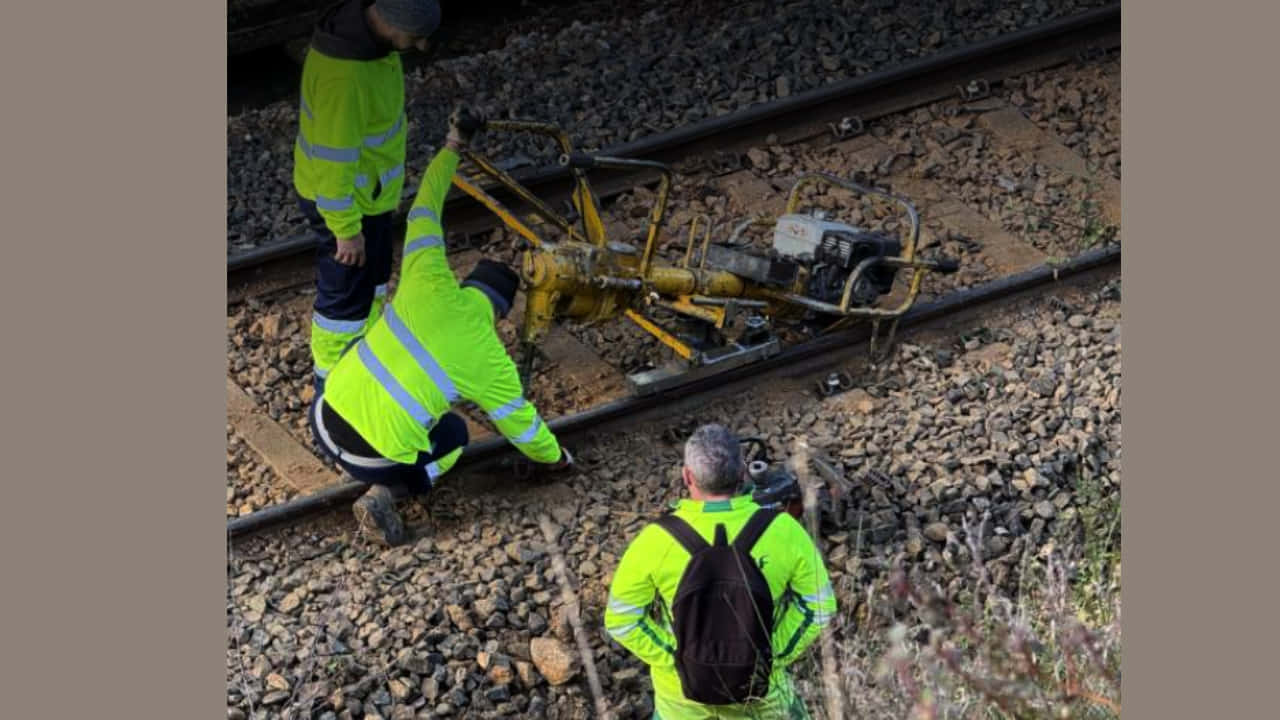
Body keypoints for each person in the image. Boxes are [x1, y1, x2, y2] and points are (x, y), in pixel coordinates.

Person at [308, 107, 573, 546]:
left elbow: (425, 208)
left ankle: (352, 461)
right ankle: (384, 492)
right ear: (500, 314)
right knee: (453, 433)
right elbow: (522, 426)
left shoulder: (427, 277)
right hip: (369, 460)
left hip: (320, 417)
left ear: (469, 284)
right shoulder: (489, 357)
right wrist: (558, 458)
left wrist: (453, 148)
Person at [604, 424, 836, 719]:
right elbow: (819, 606)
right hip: (761, 697)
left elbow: (622, 619)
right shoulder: (784, 531)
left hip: (681, 703)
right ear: (742, 475)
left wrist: (678, 658)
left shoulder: (654, 540)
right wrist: (770, 655)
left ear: (687, 476)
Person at [293, 0, 442, 394]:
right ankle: (332, 392)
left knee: (371, 283)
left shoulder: (370, 44)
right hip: (345, 205)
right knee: (343, 300)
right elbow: (334, 164)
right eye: (415, 37)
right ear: (390, 22)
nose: (421, 47)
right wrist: (345, 230)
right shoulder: (347, 79)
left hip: (365, 197)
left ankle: (366, 365)